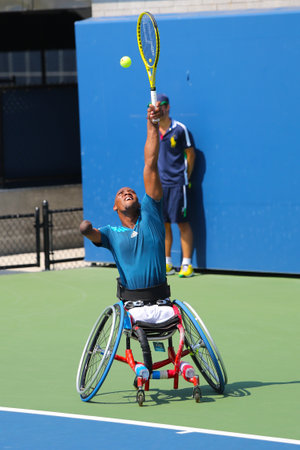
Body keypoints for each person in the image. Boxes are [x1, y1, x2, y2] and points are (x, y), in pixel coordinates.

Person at [79, 102, 175, 326]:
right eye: (121, 193)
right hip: (132, 309)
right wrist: (85, 229)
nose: (126, 192)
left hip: (163, 304)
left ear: (141, 202)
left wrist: (152, 124)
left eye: (130, 191)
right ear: (115, 207)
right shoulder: (111, 234)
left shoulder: (151, 215)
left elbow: (150, 164)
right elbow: (92, 234)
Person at [157, 93, 196, 278]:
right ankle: (167, 263)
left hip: (178, 184)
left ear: (168, 107)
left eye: (163, 105)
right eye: (157, 105)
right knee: (164, 225)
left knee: (182, 223)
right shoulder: (153, 130)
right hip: (160, 186)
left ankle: (187, 264)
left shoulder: (180, 129)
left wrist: (185, 177)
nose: (161, 108)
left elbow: (191, 154)